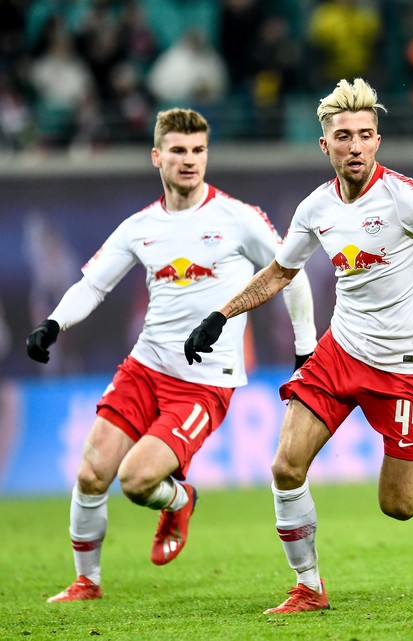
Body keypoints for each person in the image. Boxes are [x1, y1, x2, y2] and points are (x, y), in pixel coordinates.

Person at [184, 77, 413, 614]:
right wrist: (219, 314)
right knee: (285, 467)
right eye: (343, 135)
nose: (354, 145)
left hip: (407, 366)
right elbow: (280, 272)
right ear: (325, 145)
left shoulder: (407, 200)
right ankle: (308, 587)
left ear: (377, 141)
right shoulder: (316, 209)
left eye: (365, 135)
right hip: (341, 352)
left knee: (399, 506)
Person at [26, 107, 318, 603]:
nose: (190, 161)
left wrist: (304, 349)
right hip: (145, 366)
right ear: (157, 157)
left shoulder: (238, 218)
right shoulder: (139, 226)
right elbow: (92, 285)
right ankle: (86, 582)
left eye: (199, 151)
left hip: (205, 382)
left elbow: (291, 274)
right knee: (91, 471)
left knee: (137, 480)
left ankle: (180, 498)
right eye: (179, 151)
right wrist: (54, 323)